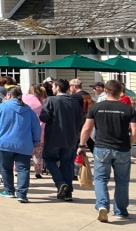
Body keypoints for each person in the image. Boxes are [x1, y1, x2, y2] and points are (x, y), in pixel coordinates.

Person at [80, 79, 136, 222]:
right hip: (122, 148)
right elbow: (134, 131)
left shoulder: (96, 107)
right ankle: (121, 211)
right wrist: (129, 144)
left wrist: (81, 145)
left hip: (102, 147)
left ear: (106, 90)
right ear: (120, 92)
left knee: (100, 178)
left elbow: (87, 128)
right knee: (122, 181)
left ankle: (102, 205)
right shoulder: (129, 109)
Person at [0, 86, 42, 203]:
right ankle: (22, 194)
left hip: (3, 143)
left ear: (9, 95)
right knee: (23, 169)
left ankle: (9, 190)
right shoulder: (29, 111)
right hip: (24, 144)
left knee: (6, 168)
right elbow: (36, 129)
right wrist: (36, 141)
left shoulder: (0, 107)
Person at [40, 78, 84, 201]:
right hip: (71, 138)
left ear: (58, 88)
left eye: (54, 86)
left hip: (54, 137)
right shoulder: (74, 102)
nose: (52, 88)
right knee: (67, 164)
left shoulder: (51, 100)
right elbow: (81, 120)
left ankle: (61, 183)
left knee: (49, 159)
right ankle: (68, 193)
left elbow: (44, 117)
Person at [23, 84, 47, 177]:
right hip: (40, 130)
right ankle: (38, 171)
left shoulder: (24, 100)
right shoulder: (43, 102)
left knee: (23, 153)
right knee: (37, 153)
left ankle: (20, 169)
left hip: (25, 131)